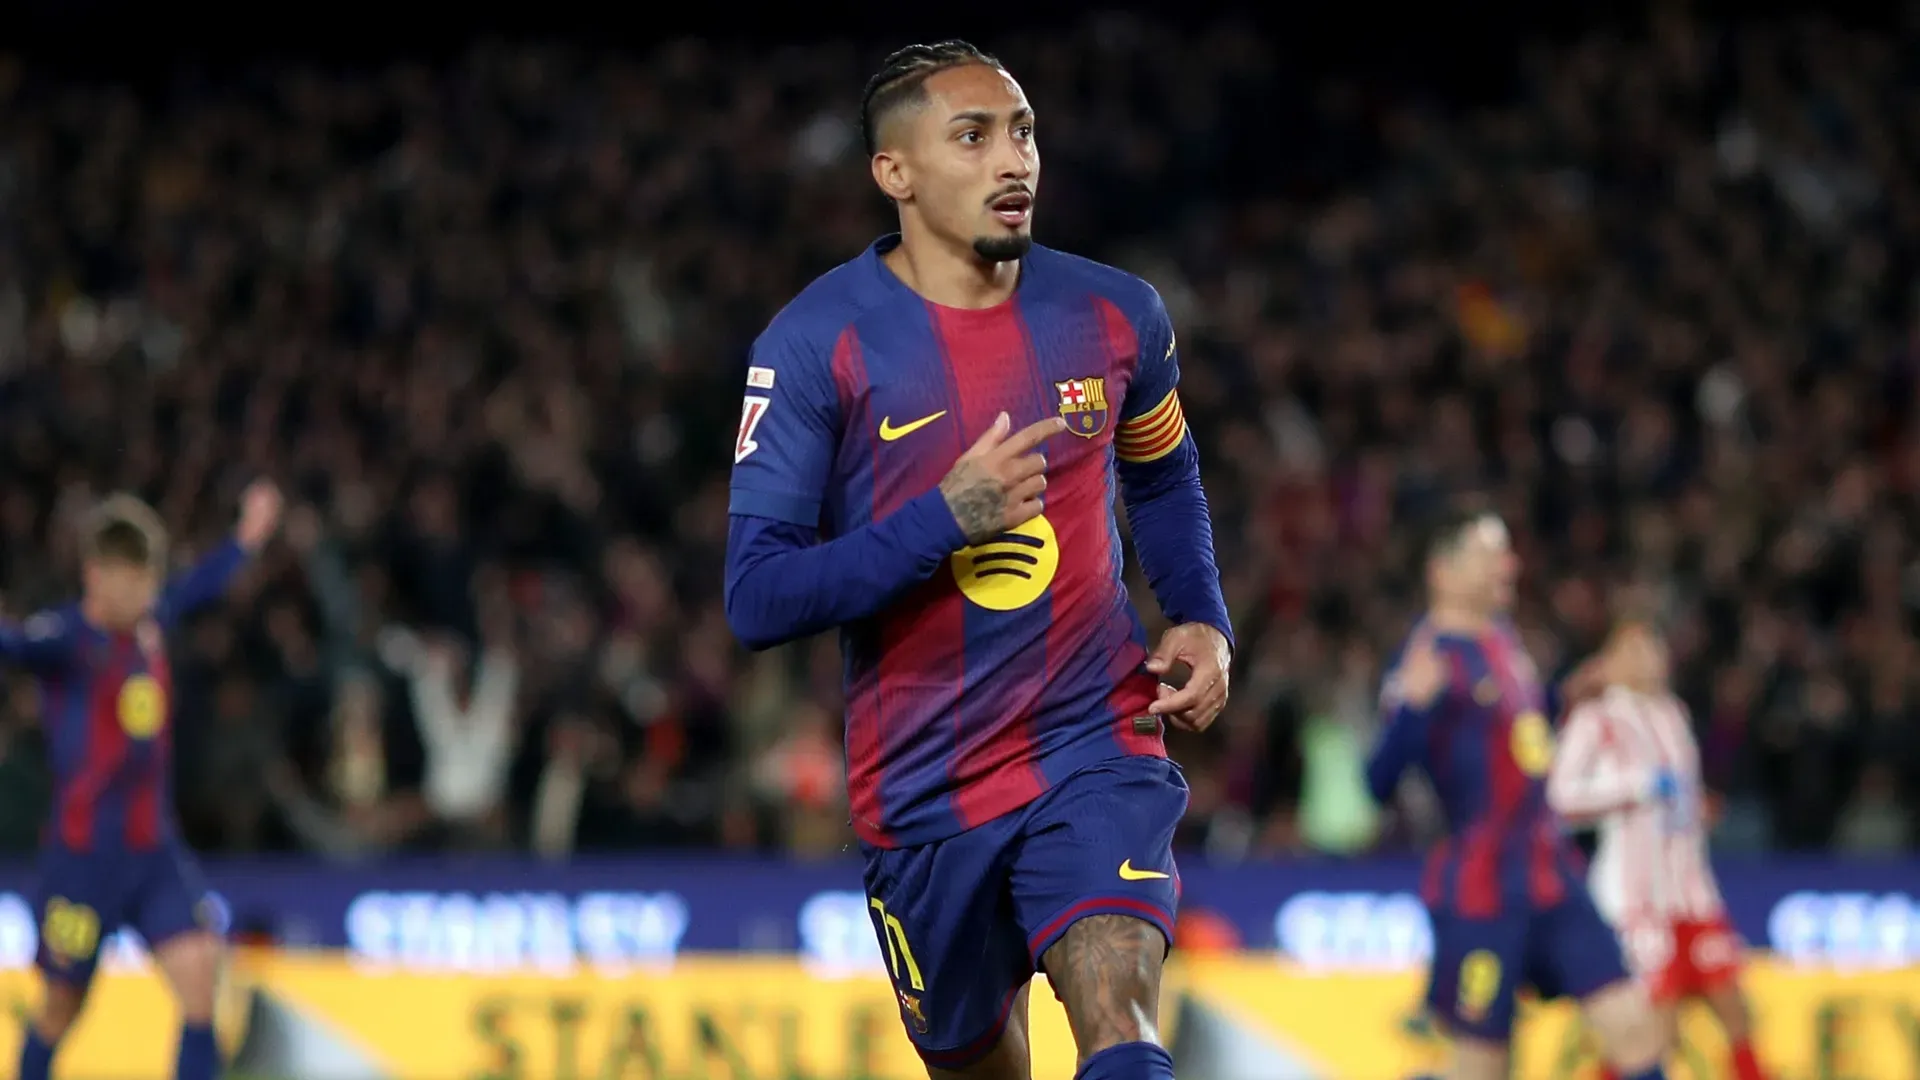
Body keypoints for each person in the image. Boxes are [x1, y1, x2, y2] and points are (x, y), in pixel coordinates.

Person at [723, 39, 1231, 1080]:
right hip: (922, 790)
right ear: (895, 173)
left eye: (1024, 132)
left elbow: (1165, 476)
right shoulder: (816, 344)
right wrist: (941, 521)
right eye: (975, 136)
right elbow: (757, 595)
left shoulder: (1115, 314)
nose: (1016, 161)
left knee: (1119, 1011)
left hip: (1096, 739)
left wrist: (1199, 613)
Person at [1364, 508, 1668, 1080]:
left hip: (1552, 876)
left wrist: (1569, 692)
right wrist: (1410, 710)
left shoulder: (1503, 639)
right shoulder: (1428, 659)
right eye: (1492, 554)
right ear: (1444, 571)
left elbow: (1516, 743)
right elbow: (1376, 783)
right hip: (1483, 895)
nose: (1510, 564)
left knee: (1635, 1030)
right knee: (1481, 1070)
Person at [13, 482, 283, 1080]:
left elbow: (201, 585)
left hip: (153, 854)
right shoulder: (63, 639)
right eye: (129, 581)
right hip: (81, 862)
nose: (143, 594)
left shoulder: (152, 620)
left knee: (199, 979)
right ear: (94, 575)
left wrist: (247, 538)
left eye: (148, 581)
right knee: (61, 1007)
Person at [1548, 622, 1770, 1080]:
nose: (1650, 656)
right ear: (1610, 662)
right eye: (1635, 648)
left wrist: (1696, 809)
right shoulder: (1597, 719)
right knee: (1655, 1031)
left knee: (1734, 1006)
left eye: (1654, 645)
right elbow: (1560, 799)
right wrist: (1636, 788)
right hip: (1636, 900)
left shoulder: (1675, 713)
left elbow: (1679, 797)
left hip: (1691, 892)